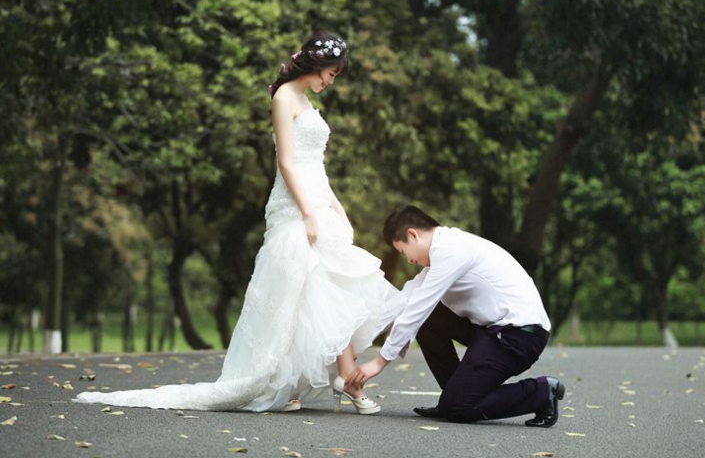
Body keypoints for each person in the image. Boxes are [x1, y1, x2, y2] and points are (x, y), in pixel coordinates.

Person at [76, 31, 402, 414]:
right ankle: (339, 380)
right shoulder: (284, 98)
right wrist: (309, 212)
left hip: (317, 198)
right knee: (308, 288)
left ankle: (308, 382)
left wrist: (335, 206)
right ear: (314, 64)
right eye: (329, 73)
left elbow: (317, 166)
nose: (330, 82)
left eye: (334, 76)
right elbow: (287, 162)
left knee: (326, 289)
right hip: (295, 203)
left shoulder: (308, 103)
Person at [346, 205, 564, 427]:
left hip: (519, 336)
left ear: (413, 234)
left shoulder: (452, 250)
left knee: (458, 408)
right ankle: (458, 392)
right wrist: (354, 342)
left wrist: (380, 361)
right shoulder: (443, 250)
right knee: (429, 320)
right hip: (493, 330)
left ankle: (542, 391)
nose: (408, 259)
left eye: (403, 251)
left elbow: (417, 308)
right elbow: (406, 301)